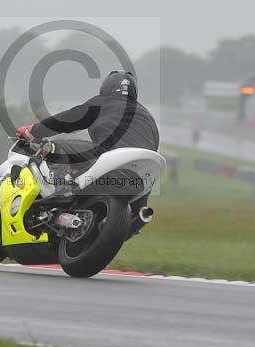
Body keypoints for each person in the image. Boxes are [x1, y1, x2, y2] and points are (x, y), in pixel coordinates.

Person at [16, 70, 160, 235]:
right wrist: (139, 207)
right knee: (139, 202)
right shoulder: (148, 117)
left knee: (56, 147)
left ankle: (64, 191)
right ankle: (136, 218)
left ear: (106, 87)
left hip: (111, 159)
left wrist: (34, 130)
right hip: (138, 178)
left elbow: (69, 119)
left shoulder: (104, 102)